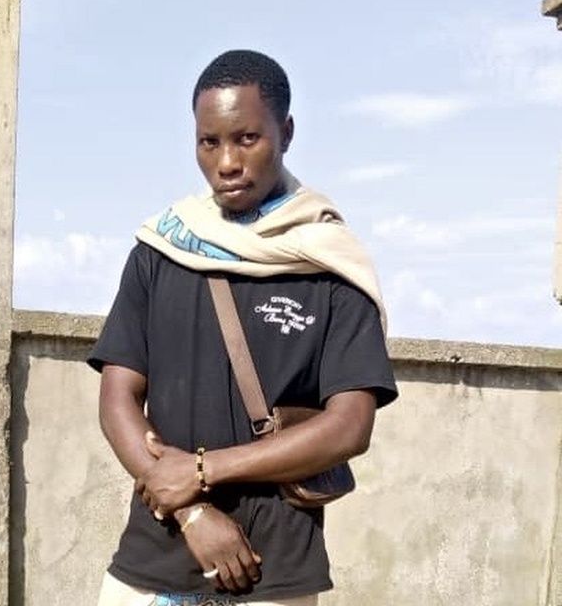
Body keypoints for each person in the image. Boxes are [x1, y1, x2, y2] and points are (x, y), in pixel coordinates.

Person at [88, 49, 398, 606]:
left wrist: (201, 472)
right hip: (152, 558)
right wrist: (191, 511)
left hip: (273, 569)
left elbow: (350, 427)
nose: (227, 162)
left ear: (286, 132)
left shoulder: (329, 263)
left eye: (247, 139)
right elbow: (118, 399)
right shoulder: (161, 250)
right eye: (209, 142)